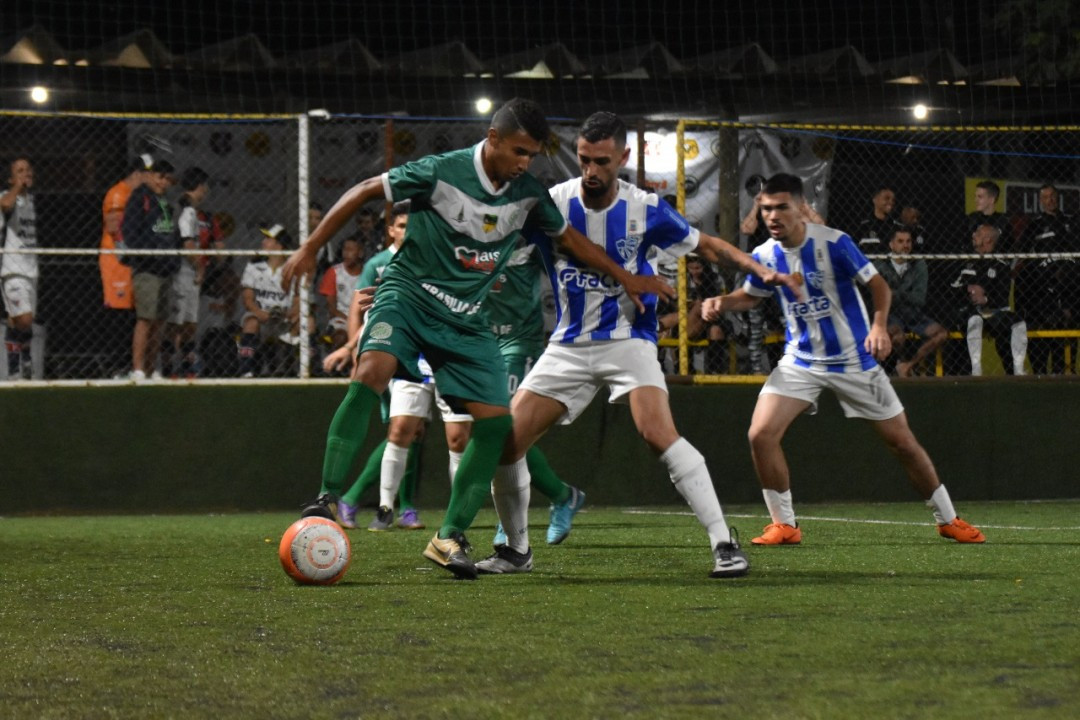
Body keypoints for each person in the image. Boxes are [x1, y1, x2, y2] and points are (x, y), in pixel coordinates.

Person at [283, 98, 673, 580]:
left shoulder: (528, 193)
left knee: (494, 427)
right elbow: (366, 189)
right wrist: (308, 247)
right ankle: (324, 499)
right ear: (493, 140)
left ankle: (449, 536)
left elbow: (570, 240)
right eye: (519, 151)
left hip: (467, 320)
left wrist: (626, 277)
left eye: (532, 155)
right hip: (409, 296)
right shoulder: (441, 171)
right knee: (372, 371)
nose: (525, 163)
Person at [476, 112, 800, 579]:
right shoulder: (553, 204)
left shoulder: (644, 208)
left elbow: (706, 245)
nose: (591, 170)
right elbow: (494, 243)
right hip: (568, 344)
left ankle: (724, 543)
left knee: (657, 434)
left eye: (602, 161)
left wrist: (760, 270)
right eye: (584, 160)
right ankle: (516, 551)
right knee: (506, 446)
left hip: (628, 340)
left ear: (623, 158)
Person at [701, 172, 985, 547]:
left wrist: (880, 325)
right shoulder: (765, 254)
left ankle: (949, 518)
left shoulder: (835, 243)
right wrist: (724, 302)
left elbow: (878, 285)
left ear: (802, 208)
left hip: (854, 361)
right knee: (760, 434)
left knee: (902, 443)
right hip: (800, 362)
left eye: (781, 207)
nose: (772, 216)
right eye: (766, 208)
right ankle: (784, 525)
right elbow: (753, 294)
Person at [122, 158, 179, 381]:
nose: (163, 182)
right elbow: (130, 233)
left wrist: (173, 261)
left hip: (166, 267)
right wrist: (147, 254)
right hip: (147, 268)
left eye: (167, 178)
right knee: (145, 318)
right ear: (148, 175)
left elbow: (171, 234)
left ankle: (151, 367)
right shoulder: (139, 198)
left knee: (160, 320)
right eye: (159, 176)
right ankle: (137, 369)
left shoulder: (165, 201)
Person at [1014, 184, 1075, 374]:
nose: (1050, 200)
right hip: (1043, 285)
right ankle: (1040, 372)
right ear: (1040, 201)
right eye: (1046, 197)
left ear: (1058, 198)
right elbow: (1021, 254)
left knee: (1069, 325)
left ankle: (1067, 369)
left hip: (1071, 284)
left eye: (1053, 196)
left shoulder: (1071, 222)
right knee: (1044, 328)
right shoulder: (1035, 225)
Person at [951, 224, 1028, 376]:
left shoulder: (1000, 265)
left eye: (978, 233)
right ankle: (976, 369)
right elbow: (953, 287)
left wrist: (985, 299)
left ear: (988, 239)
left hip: (994, 313)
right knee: (974, 320)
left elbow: (1002, 297)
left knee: (1019, 322)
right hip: (971, 311)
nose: (973, 234)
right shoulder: (967, 261)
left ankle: (1018, 369)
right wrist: (968, 289)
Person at [874, 226, 948, 377]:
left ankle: (909, 365)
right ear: (891, 245)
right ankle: (899, 362)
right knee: (896, 335)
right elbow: (880, 298)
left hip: (913, 314)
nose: (905, 245)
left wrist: (894, 293)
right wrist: (905, 294)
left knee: (941, 334)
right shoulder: (880, 265)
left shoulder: (918, 264)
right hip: (891, 314)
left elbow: (919, 299)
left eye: (908, 241)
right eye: (900, 241)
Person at [100, 155, 149, 378]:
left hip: (131, 260)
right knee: (118, 312)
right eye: (148, 173)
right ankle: (115, 367)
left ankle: (128, 365)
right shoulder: (119, 192)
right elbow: (113, 225)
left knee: (131, 311)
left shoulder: (138, 195)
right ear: (138, 173)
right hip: (117, 260)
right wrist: (125, 251)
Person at [165, 166, 211, 378]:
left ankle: (186, 367)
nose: (206, 192)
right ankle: (170, 369)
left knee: (190, 322)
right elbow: (187, 242)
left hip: (189, 275)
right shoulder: (186, 209)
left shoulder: (188, 208)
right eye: (205, 187)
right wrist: (199, 265)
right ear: (200, 186)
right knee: (177, 323)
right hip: (181, 272)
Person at [238, 224, 298, 378]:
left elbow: (299, 299)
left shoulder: (292, 267)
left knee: (305, 322)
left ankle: (298, 369)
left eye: (268, 239)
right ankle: (247, 371)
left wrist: (289, 313)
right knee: (251, 322)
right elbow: (247, 299)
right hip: (261, 315)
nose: (263, 242)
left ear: (279, 245)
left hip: (283, 317)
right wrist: (259, 312)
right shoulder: (254, 266)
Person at [1, 157, 38, 380]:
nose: (26, 174)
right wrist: (17, 186)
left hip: (31, 268)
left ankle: (16, 368)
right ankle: (23, 360)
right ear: (11, 178)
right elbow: (5, 205)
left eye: (28, 169)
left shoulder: (31, 201)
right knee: (24, 320)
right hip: (12, 269)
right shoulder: (8, 198)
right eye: (20, 171)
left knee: (18, 320)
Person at [317, 235, 364, 356]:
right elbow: (332, 309)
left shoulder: (367, 274)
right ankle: (336, 370)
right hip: (341, 318)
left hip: (363, 318)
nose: (346, 253)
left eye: (351, 250)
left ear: (360, 253)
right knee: (341, 336)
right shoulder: (334, 272)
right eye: (344, 249)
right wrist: (350, 321)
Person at [966, 180, 1012, 251]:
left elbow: (1008, 247)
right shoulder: (972, 218)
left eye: (980, 197)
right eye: (975, 196)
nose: (976, 200)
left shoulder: (1003, 222)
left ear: (991, 200)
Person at [853, 186, 899, 255]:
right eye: (887, 198)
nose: (891, 202)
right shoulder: (862, 226)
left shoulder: (897, 227)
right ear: (875, 200)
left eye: (893, 200)